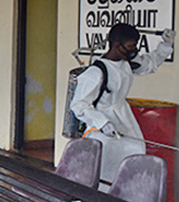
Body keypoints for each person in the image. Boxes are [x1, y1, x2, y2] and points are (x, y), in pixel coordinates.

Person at [71, 23, 175, 188]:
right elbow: (79, 105)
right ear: (117, 46)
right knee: (104, 168)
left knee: (134, 154)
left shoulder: (126, 63)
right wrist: (102, 123)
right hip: (101, 129)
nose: (135, 50)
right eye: (131, 46)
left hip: (123, 119)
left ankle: (127, 200)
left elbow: (149, 64)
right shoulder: (96, 72)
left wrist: (166, 45)